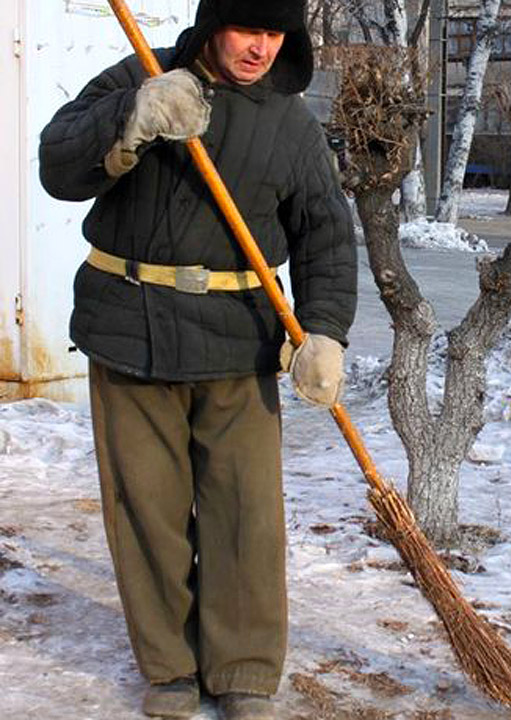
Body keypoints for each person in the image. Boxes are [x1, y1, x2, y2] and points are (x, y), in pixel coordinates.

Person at [38, 1, 356, 717]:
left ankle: (242, 669)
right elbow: (58, 165)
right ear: (214, 23)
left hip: (237, 338)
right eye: (249, 29)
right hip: (129, 327)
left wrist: (325, 330)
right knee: (146, 510)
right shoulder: (140, 75)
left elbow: (326, 234)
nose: (262, 48)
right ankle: (170, 667)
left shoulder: (289, 123)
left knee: (245, 512)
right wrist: (131, 117)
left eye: (276, 34)